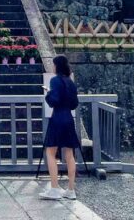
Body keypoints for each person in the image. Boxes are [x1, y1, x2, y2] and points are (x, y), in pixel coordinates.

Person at [40, 55, 81, 201]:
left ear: (57, 66)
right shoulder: (70, 82)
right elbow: (74, 104)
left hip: (57, 118)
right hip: (68, 118)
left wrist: (48, 93)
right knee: (69, 154)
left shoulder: (55, 80)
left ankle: (55, 188)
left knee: (50, 152)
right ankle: (71, 189)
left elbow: (54, 101)